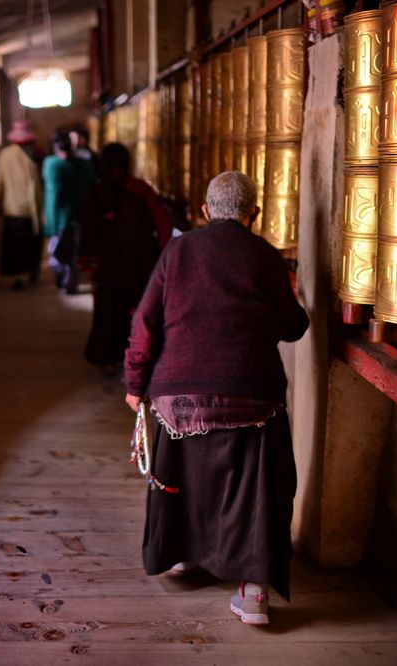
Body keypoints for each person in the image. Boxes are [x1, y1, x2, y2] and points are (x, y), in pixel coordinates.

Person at [123, 171, 309, 626]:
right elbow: (294, 327)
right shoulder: (264, 256)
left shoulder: (178, 251)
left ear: (205, 211)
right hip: (252, 398)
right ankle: (254, 594)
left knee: (184, 455)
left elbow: (145, 322)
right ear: (255, 215)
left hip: (177, 398)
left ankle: (182, 552)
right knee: (257, 486)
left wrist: (134, 383)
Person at [81, 143, 173, 375]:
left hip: (109, 266)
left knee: (108, 310)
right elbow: (163, 223)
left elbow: (87, 230)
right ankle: (136, 359)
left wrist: (89, 262)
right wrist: (164, 258)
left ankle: (108, 357)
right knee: (137, 312)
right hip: (139, 265)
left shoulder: (97, 191)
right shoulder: (139, 190)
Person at [42, 129, 94, 294]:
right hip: (76, 215)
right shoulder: (82, 165)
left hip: (58, 217)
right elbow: (93, 183)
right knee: (73, 252)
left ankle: (63, 279)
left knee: (58, 251)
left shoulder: (50, 164)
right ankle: (69, 283)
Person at [0, 120, 44, 289]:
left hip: (13, 208)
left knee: (15, 247)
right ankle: (30, 271)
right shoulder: (34, 155)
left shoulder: (5, 155)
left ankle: (18, 277)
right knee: (31, 244)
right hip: (32, 209)